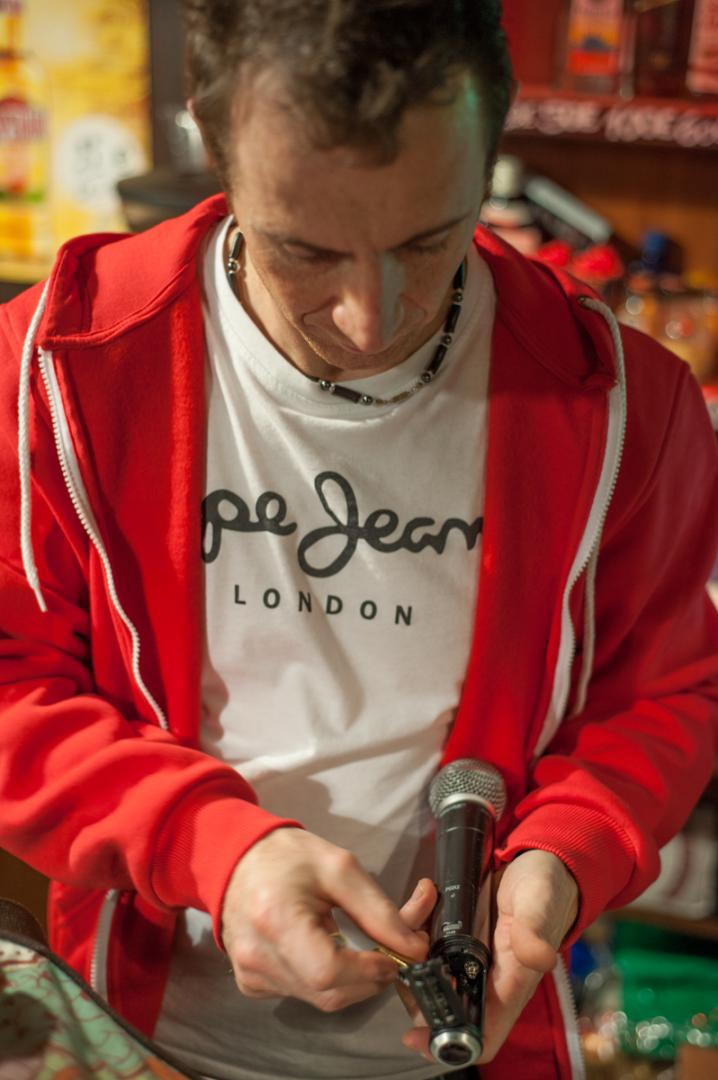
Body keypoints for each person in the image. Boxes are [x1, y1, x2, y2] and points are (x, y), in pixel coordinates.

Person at [0, 1, 717, 1077]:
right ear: (209, 135)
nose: (368, 320)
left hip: (477, 1048)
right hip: (142, 1030)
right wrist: (215, 851)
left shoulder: (627, 403)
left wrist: (568, 854)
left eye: (428, 241)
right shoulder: (56, 370)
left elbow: (664, 696)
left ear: (491, 146)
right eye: (304, 250)